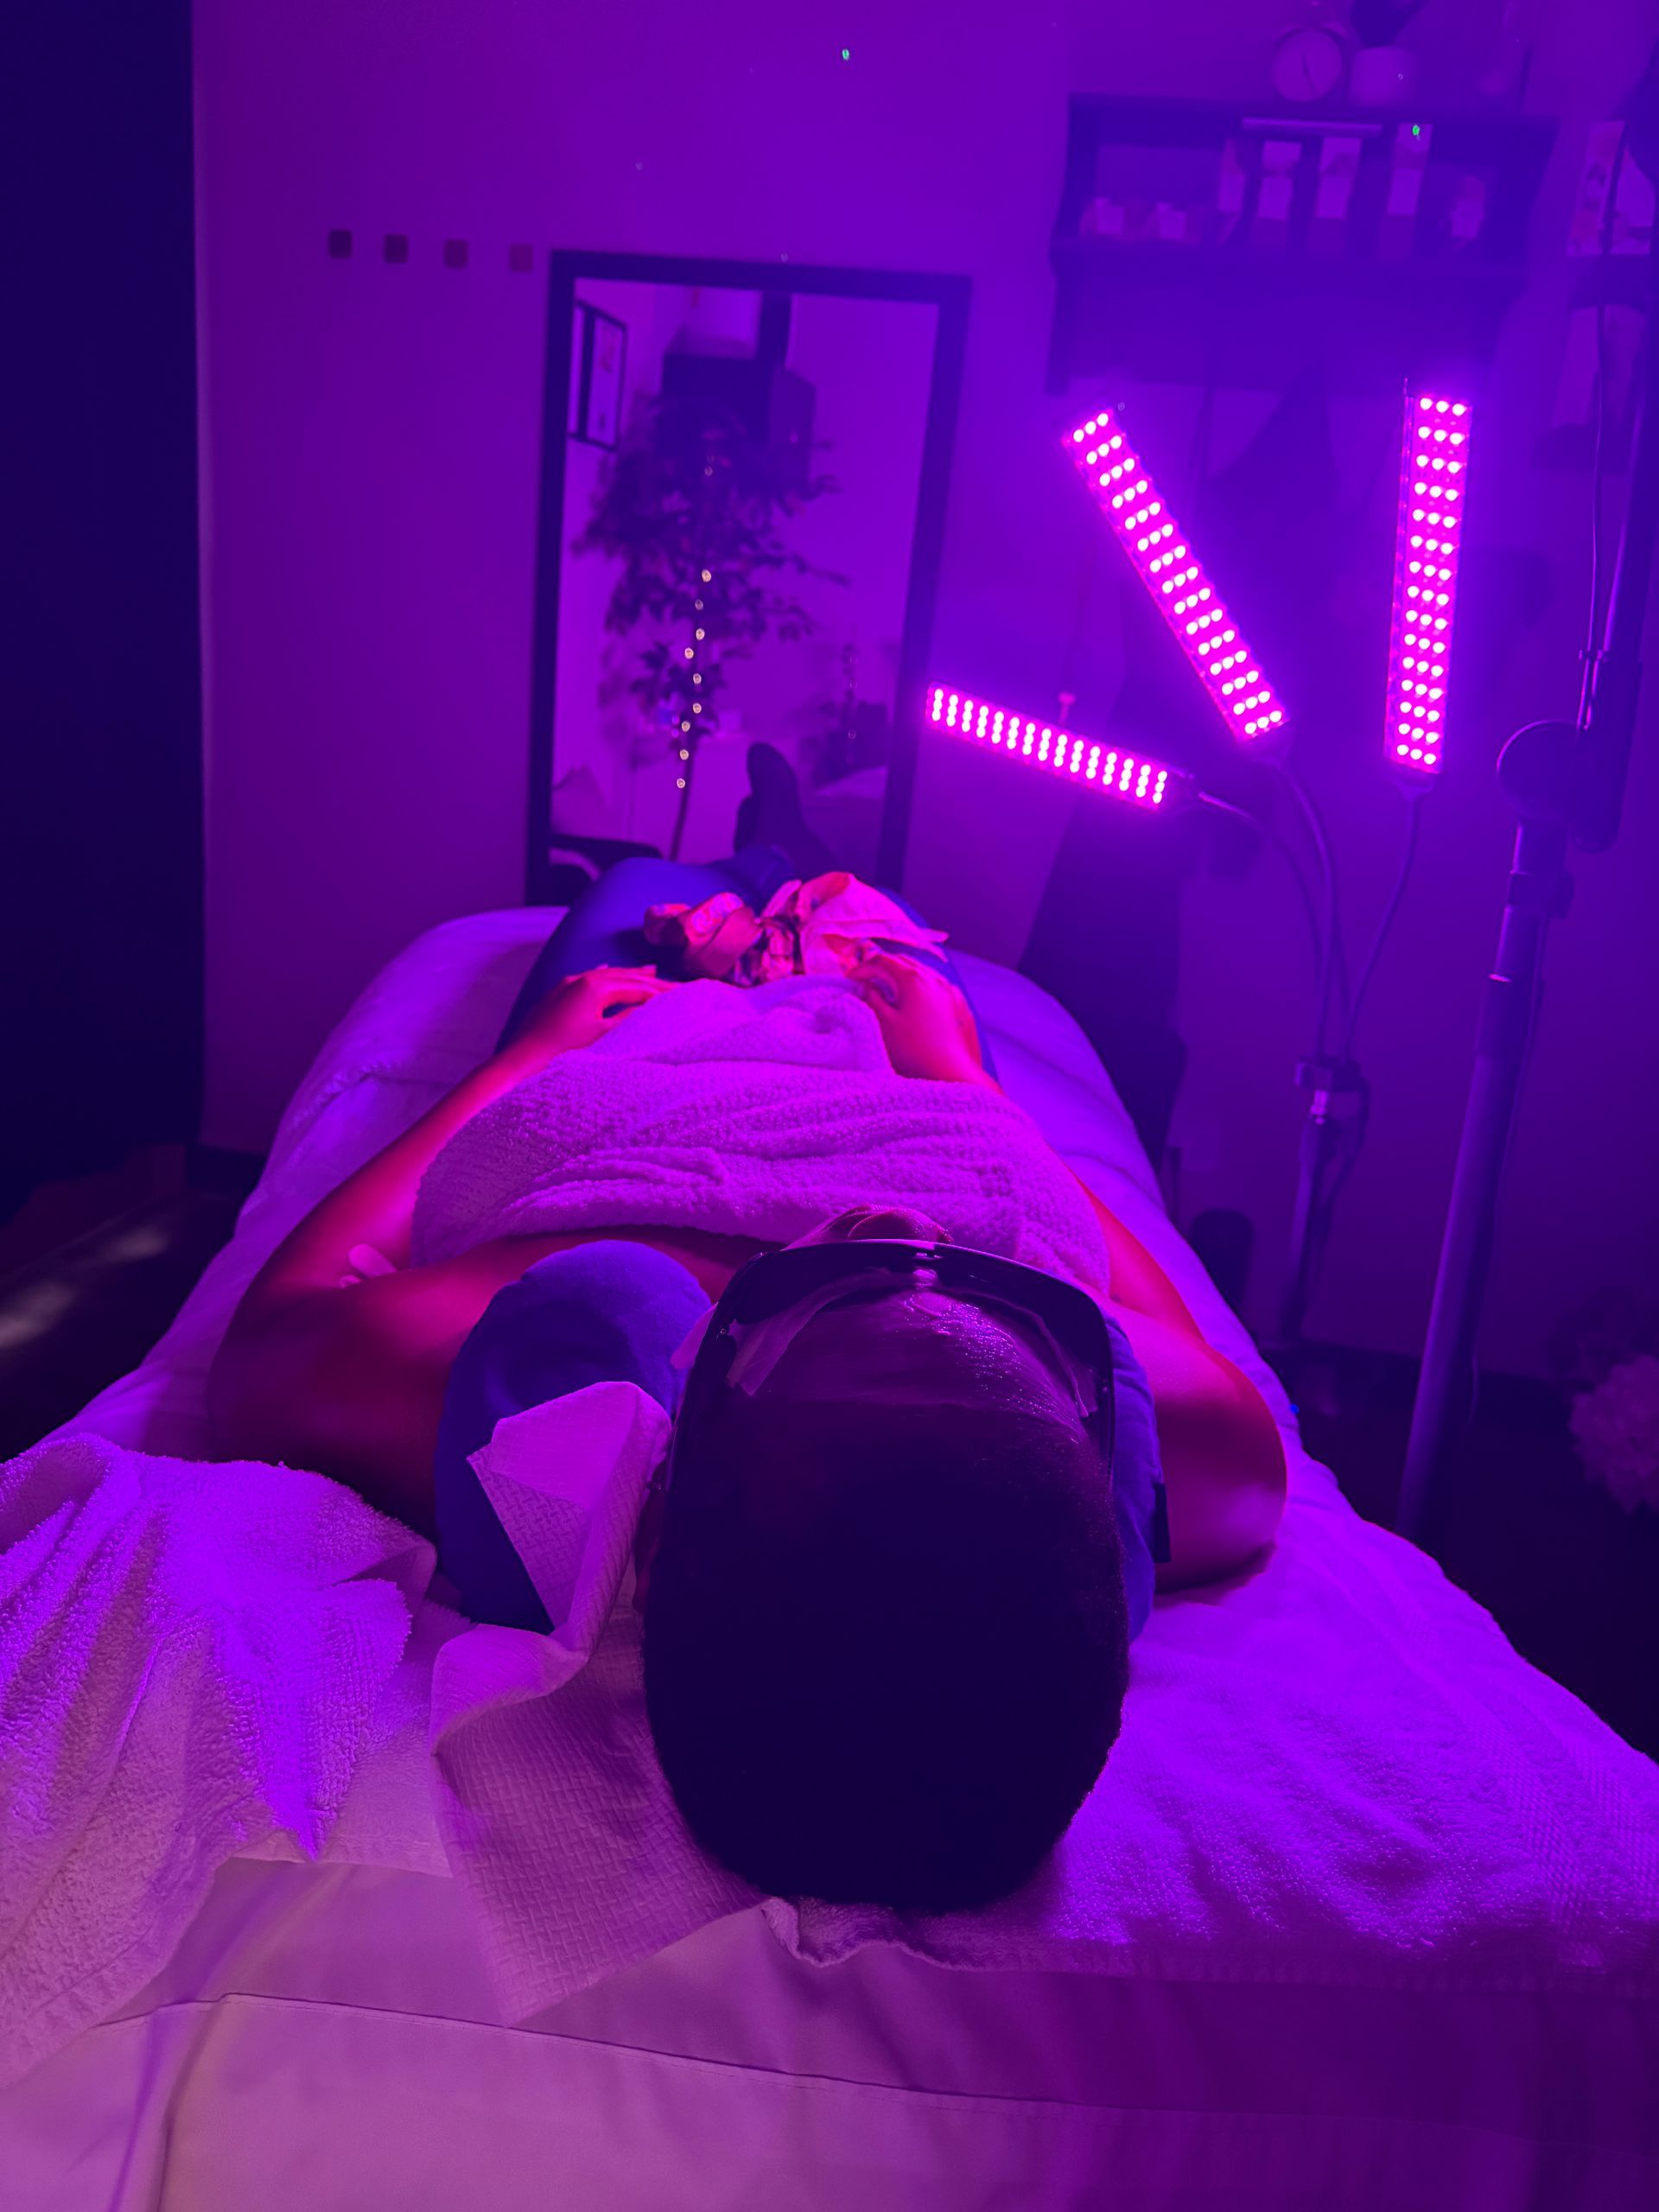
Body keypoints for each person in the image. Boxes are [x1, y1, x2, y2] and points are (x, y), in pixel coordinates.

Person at [209, 814, 1285, 1912]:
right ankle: (784, 832)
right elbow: (1172, 1332)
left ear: (669, 1464)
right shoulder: (1211, 1454)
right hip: (925, 1093)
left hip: (627, 1074)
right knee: (865, 904)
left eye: (832, 1290)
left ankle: (748, 841)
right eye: (973, 1293)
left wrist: (530, 1056)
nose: (897, 1219)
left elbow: (271, 1340)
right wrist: (963, 1074)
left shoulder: (541, 1353)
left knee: (644, 879)